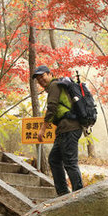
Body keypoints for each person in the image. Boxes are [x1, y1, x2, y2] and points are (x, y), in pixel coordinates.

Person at [34, 64, 84, 195]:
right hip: (64, 129)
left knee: (70, 162)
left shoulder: (54, 85)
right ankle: (63, 193)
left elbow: (52, 107)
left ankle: (79, 194)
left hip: (69, 127)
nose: (40, 80)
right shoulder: (55, 86)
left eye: (42, 76)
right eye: (38, 79)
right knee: (54, 159)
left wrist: (43, 129)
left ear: (50, 74)